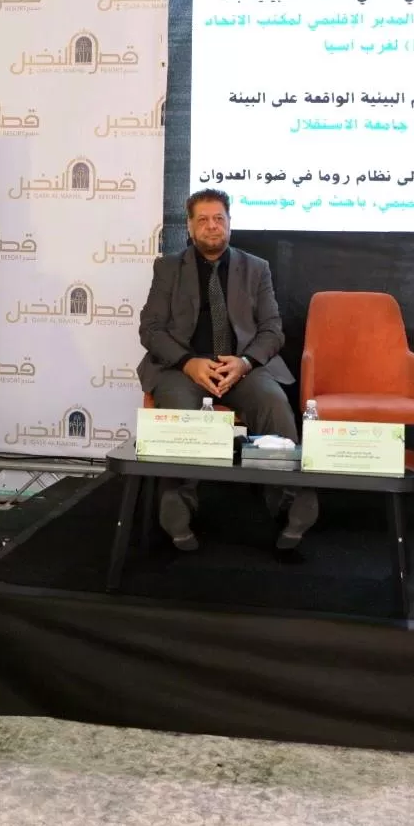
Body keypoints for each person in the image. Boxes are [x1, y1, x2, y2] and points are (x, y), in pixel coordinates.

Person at [138, 189, 314, 562]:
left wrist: (245, 362)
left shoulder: (256, 268)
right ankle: (178, 505)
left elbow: (272, 330)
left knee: (274, 403)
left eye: (219, 218)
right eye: (203, 219)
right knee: (180, 413)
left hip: (242, 367)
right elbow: (151, 330)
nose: (212, 226)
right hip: (183, 368)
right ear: (189, 226)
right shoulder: (168, 268)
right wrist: (189, 362)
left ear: (230, 223)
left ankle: (287, 501)